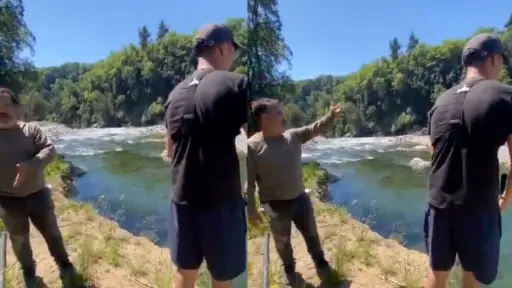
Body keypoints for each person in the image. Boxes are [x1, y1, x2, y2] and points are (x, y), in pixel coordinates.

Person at [163, 23, 248, 288]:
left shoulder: (174, 94)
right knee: (222, 277)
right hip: (221, 203)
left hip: (182, 199)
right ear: (223, 47)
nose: (233, 56)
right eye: (233, 50)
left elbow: (169, 151)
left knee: (184, 271)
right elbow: (256, 143)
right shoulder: (236, 85)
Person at [425, 33, 512, 288]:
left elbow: (434, 153)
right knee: (472, 278)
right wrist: (507, 198)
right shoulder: (505, 96)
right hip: (479, 208)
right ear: (494, 59)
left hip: (437, 204)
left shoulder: (440, 102)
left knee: (436, 272)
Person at [246, 98, 342, 286]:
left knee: (311, 234)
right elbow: (249, 182)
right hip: (273, 205)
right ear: (264, 118)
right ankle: (289, 269)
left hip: (300, 199)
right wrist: (251, 208)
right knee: (282, 242)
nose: (284, 116)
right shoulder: (252, 146)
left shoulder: (293, 136)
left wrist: (331, 116)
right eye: (279, 112)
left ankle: (320, 263)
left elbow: (315, 128)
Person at [0, 87, 81, 288]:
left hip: (38, 196)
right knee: (19, 242)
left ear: (17, 108)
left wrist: (32, 166)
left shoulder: (30, 130)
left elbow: (50, 150)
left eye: (6, 104)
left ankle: (64, 265)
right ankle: (28, 273)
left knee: (52, 233)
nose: (1, 109)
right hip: (7, 200)